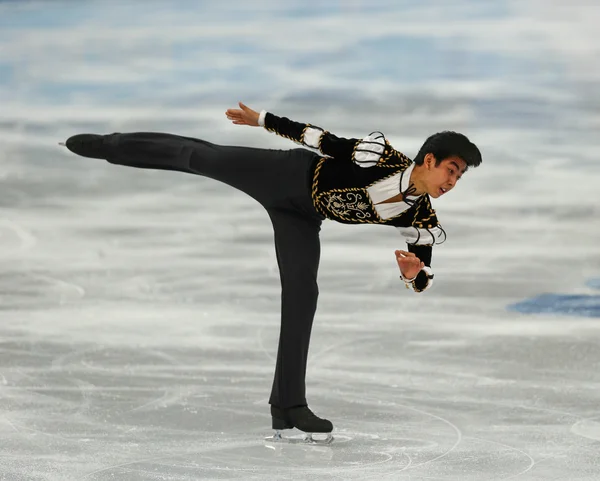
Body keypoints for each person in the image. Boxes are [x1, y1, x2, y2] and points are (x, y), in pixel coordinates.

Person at [62, 102, 482, 442]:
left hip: (303, 217)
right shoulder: (381, 157)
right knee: (201, 156)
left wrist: (413, 274)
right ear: (430, 159)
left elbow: (424, 276)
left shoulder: (423, 219)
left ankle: (288, 407)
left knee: (304, 296)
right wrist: (260, 120)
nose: (453, 182)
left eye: (459, 176)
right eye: (452, 170)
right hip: (286, 175)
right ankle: (112, 145)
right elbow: (321, 139)